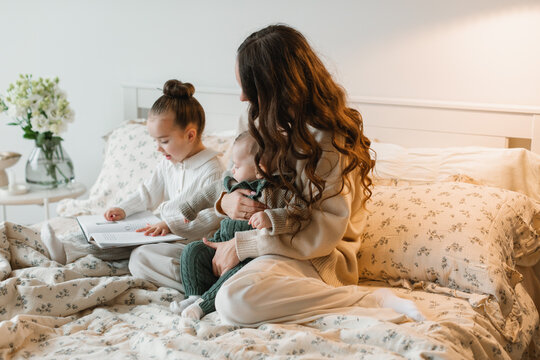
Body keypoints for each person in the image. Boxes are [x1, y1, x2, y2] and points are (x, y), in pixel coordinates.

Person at [210, 24, 425, 326]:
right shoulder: (256, 119)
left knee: (234, 301)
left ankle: (369, 300)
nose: (243, 96)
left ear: (277, 85)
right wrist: (227, 202)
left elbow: (322, 235)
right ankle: (236, 280)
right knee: (146, 261)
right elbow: (234, 175)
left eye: (250, 87)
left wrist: (245, 245)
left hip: (314, 257)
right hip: (257, 241)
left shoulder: (328, 141)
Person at [170, 131, 307, 319]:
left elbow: (299, 213)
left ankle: (203, 305)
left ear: (260, 169)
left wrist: (271, 218)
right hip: (220, 242)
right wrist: (190, 208)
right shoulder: (232, 182)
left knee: (237, 273)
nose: (232, 169)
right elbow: (209, 193)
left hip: (248, 254)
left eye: (236, 165)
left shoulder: (280, 191)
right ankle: (194, 295)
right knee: (192, 251)